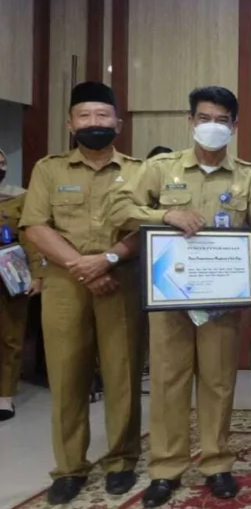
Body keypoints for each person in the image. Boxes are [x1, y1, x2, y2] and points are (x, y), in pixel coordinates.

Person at [109, 86, 251, 507]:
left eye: (221, 120)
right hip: (170, 298)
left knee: (218, 382)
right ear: (190, 121)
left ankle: (216, 463)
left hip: (221, 302)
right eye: (204, 118)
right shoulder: (160, 169)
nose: (212, 126)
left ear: (234, 125)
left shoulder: (249, 177)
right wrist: (166, 214)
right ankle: (166, 469)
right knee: (168, 381)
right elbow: (119, 209)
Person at [20, 82, 144, 505]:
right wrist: (84, 267)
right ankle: (70, 467)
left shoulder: (139, 171)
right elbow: (35, 226)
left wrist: (106, 260)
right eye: (85, 116)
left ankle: (121, 460)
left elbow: (145, 228)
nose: (95, 123)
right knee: (67, 377)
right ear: (71, 124)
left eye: (103, 115)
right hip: (64, 286)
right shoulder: (48, 169)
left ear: (118, 123)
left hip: (120, 283)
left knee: (122, 375)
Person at [0, 147, 43, 422]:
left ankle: (4, 396)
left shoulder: (18, 197)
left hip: (9, 276)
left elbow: (32, 238)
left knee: (10, 337)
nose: (0, 166)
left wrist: (38, 274)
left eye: (2, 162)